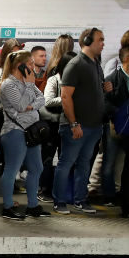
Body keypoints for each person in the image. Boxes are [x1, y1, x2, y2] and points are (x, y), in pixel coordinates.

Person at [52, 27, 111, 215]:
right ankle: (59, 201)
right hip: (76, 125)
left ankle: (80, 200)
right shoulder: (76, 64)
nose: (103, 43)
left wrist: (105, 88)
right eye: (100, 39)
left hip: (93, 126)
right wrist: (74, 123)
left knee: (84, 164)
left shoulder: (96, 64)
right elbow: (65, 96)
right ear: (87, 41)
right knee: (66, 163)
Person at [0, 50, 48, 220]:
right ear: (19, 65)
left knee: (36, 168)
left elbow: (42, 99)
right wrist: (28, 88)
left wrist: (30, 105)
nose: (33, 67)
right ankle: (7, 207)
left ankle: (32, 206)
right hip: (14, 131)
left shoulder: (28, 82)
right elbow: (20, 106)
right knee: (12, 169)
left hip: (31, 131)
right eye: (30, 64)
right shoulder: (8, 85)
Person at [103, 44, 129, 208]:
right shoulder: (112, 78)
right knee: (110, 162)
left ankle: (127, 194)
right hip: (115, 125)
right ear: (127, 58)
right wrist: (120, 114)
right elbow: (105, 103)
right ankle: (108, 195)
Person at [39, 52, 78, 202]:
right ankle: (44, 189)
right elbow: (48, 101)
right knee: (48, 157)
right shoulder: (54, 80)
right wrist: (66, 98)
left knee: (65, 159)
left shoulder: (77, 81)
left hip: (68, 123)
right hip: (53, 124)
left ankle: (61, 192)